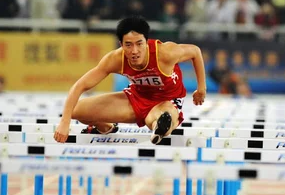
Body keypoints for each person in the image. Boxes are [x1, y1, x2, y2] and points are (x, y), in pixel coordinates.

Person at [54, 16, 206, 144]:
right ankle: (106, 127)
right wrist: (64, 122)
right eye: (128, 45)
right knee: (75, 110)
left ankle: (160, 126)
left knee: (161, 120)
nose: (134, 51)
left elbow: (195, 51)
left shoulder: (165, 53)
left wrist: (201, 89)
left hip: (167, 101)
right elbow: (80, 85)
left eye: (139, 44)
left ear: (146, 42)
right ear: (121, 44)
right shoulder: (115, 59)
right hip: (136, 98)